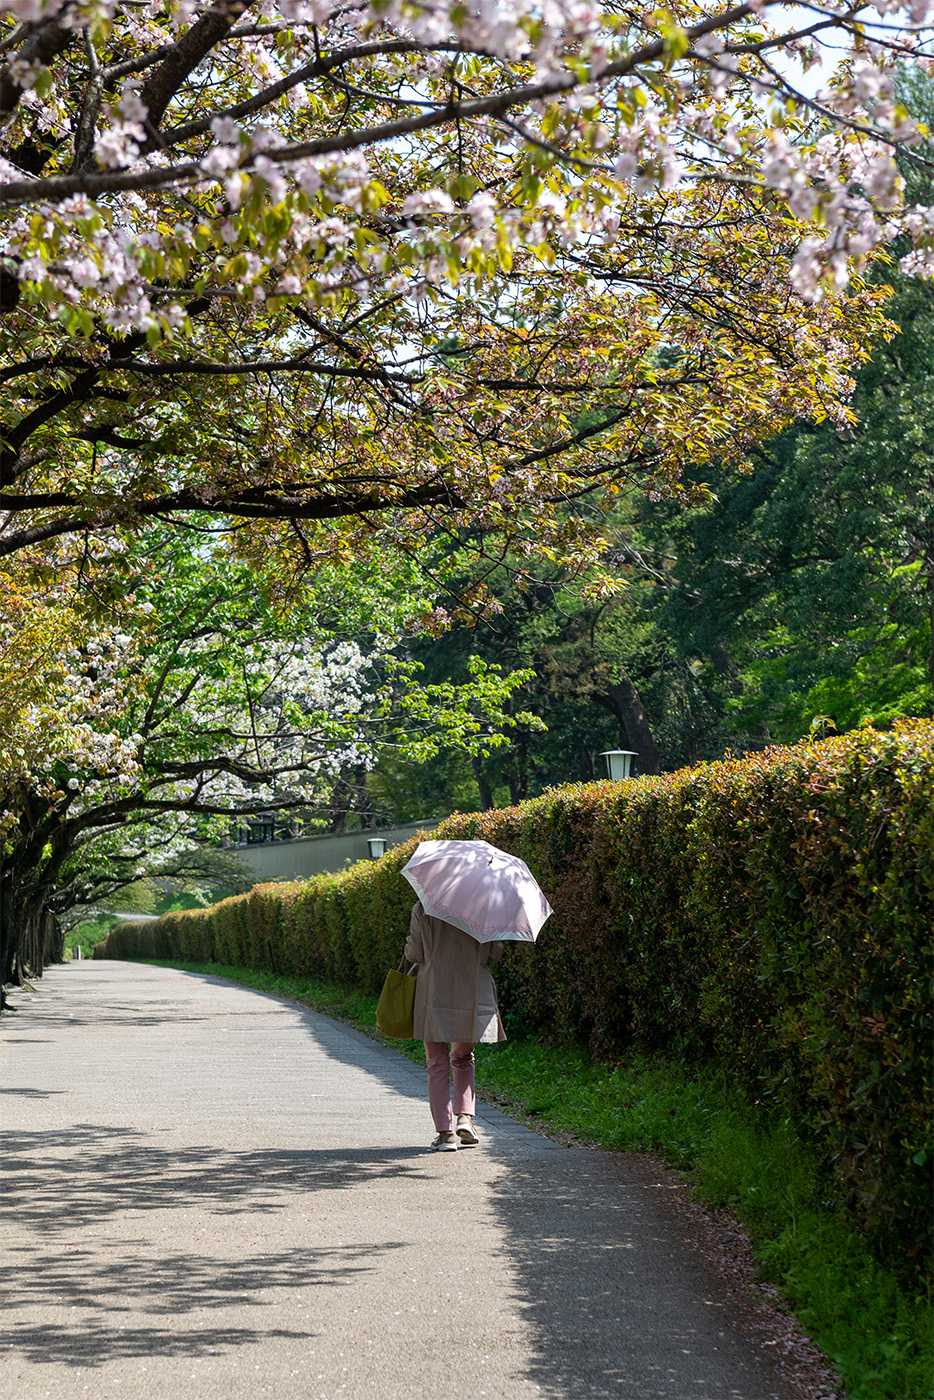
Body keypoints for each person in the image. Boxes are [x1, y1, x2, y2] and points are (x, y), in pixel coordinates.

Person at [404, 900, 505, 1151]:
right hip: (470, 990)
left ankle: (445, 1134)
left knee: (436, 1063)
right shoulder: (483, 909)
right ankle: (465, 1119)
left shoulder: (423, 908)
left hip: (434, 990)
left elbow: (415, 953)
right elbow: (494, 953)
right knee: (463, 1057)